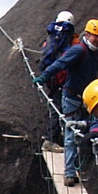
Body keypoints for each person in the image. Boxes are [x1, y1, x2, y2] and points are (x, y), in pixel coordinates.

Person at [31, 19, 98, 185]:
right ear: (87, 34)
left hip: (88, 99)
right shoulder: (78, 50)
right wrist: (44, 76)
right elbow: (60, 63)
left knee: (89, 132)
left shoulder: (95, 53)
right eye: (95, 36)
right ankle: (69, 173)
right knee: (71, 134)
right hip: (72, 98)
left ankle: (77, 168)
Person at [37, 11, 77, 146]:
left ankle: (53, 136)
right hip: (63, 79)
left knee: (55, 107)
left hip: (51, 78)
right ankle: (51, 140)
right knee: (59, 109)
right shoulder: (70, 41)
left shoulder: (50, 39)